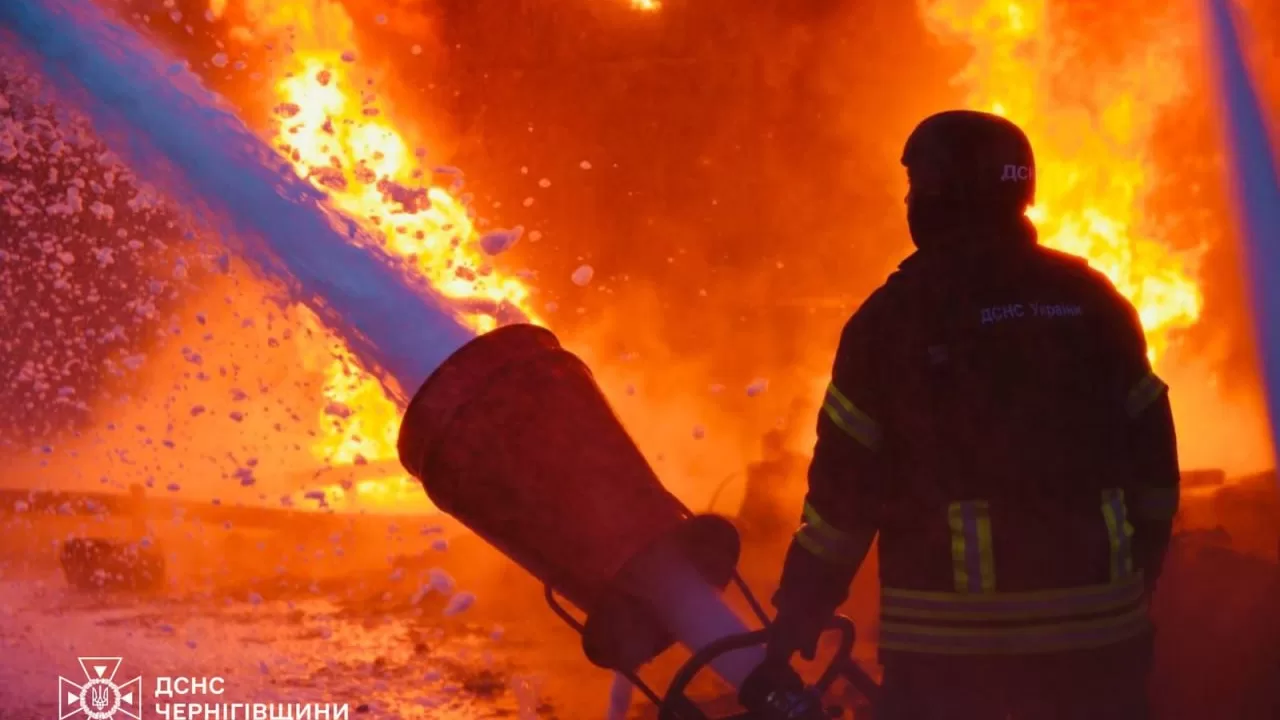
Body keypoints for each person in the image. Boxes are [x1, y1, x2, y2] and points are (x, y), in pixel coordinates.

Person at [738, 110, 1181, 719]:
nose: (912, 201)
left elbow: (842, 501)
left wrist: (801, 611)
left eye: (919, 186)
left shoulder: (894, 320)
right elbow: (1154, 463)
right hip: (1101, 651)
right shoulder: (1093, 303)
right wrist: (1142, 570)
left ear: (946, 192)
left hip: (953, 666)